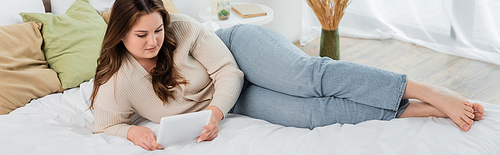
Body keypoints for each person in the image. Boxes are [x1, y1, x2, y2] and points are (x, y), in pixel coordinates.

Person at [90, 0, 485, 151]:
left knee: (305, 75)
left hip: (238, 52)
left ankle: (427, 89)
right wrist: (132, 132)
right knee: (308, 116)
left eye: (157, 30)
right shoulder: (117, 80)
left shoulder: (181, 27)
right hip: (230, 100)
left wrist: (213, 114)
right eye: (141, 35)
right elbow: (105, 124)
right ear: (119, 34)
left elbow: (228, 69)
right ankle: (419, 109)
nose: (153, 41)